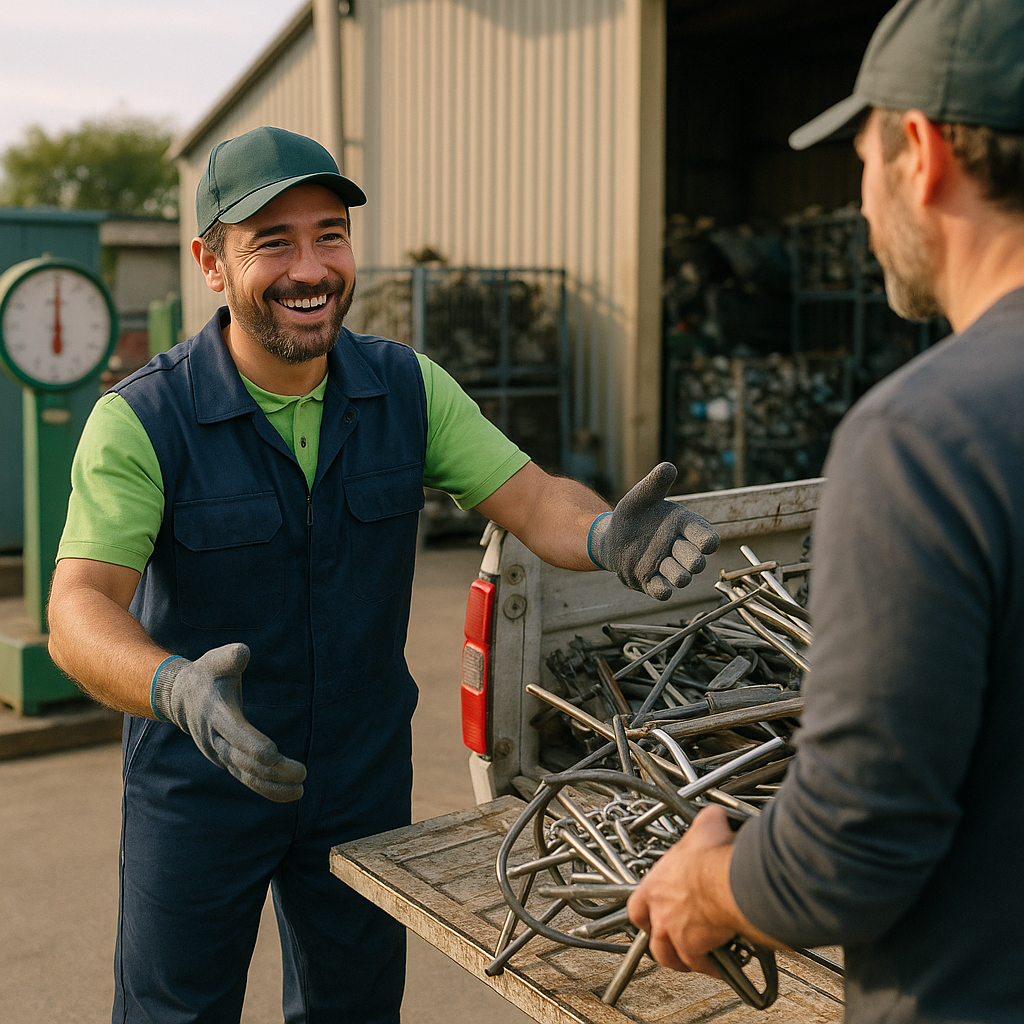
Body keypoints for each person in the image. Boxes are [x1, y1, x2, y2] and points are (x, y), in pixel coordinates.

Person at [45, 125, 719, 1024]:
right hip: (198, 776)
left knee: (357, 1011)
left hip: (359, 778)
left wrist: (604, 532)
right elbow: (79, 608)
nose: (310, 268)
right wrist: (173, 688)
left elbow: (530, 498)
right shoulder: (145, 420)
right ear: (212, 263)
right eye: (272, 242)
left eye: (329, 234)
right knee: (175, 1012)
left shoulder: (405, 389)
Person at [627, 1, 1024, 1020]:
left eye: (860, 156)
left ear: (922, 153)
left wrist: (706, 879)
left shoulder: (928, 439)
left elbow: (850, 851)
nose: (857, 199)